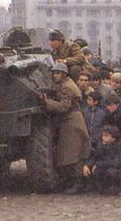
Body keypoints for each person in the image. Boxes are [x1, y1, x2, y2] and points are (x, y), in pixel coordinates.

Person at [40, 63, 90, 193]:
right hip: (71, 120)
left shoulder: (67, 87)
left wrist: (46, 102)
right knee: (69, 154)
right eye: (54, 73)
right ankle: (73, 183)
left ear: (63, 74)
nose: (55, 75)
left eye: (57, 73)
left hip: (72, 121)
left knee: (74, 155)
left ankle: (77, 184)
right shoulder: (66, 84)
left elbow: (63, 107)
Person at [81, 125, 121, 195]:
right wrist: (87, 165)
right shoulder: (102, 145)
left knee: (110, 172)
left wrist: (99, 164)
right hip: (106, 167)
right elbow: (94, 157)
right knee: (93, 170)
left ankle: (120, 188)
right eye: (103, 135)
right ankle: (101, 188)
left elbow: (117, 163)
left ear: (113, 138)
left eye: (106, 136)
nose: (103, 138)